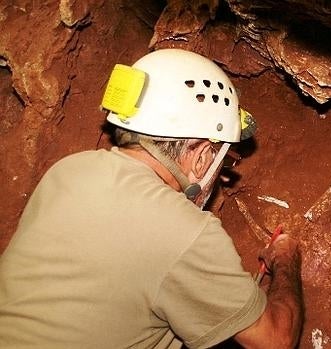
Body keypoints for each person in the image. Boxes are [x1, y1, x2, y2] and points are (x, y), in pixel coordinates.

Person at [0, 48, 303, 348]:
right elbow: (275, 340)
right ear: (200, 154)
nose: (221, 172)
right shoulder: (186, 232)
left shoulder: (67, 170)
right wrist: (285, 259)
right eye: (221, 159)